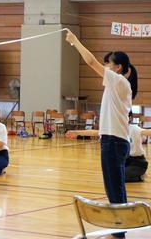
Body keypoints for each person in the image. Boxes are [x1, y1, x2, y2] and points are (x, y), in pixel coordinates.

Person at [66, 31, 138, 239]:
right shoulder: (117, 85)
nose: (105, 67)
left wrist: (75, 42)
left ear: (118, 68)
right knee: (116, 189)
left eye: (109, 64)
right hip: (113, 141)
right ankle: (120, 230)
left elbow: (90, 61)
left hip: (114, 143)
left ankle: (118, 234)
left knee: (114, 190)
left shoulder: (119, 82)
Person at [67, 114, 150, 183]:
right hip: (123, 161)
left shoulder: (134, 129)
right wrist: (77, 132)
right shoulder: (114, 129)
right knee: (111, 177)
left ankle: (140, 176)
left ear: (130, 118)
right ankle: (132, 174)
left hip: (137, 163)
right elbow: (96, 132)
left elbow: (147, 132)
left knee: (119, 178)